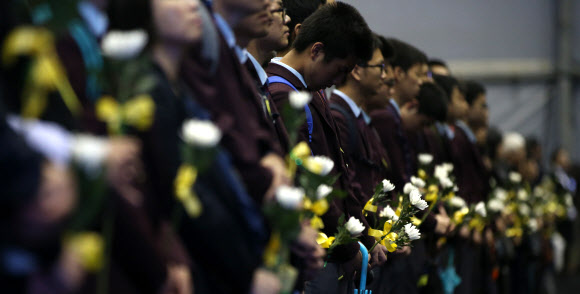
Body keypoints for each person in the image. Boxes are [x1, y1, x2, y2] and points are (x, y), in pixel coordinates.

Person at [266, 2, 376, 293]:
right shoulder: (282, 94)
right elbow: (306, 180)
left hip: (334, 244)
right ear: (315, 51)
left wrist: (360, 237)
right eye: (340, 71)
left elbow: (339, 170)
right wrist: (346, 249)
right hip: (315, 250)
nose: (339, 82)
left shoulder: (310, 91)